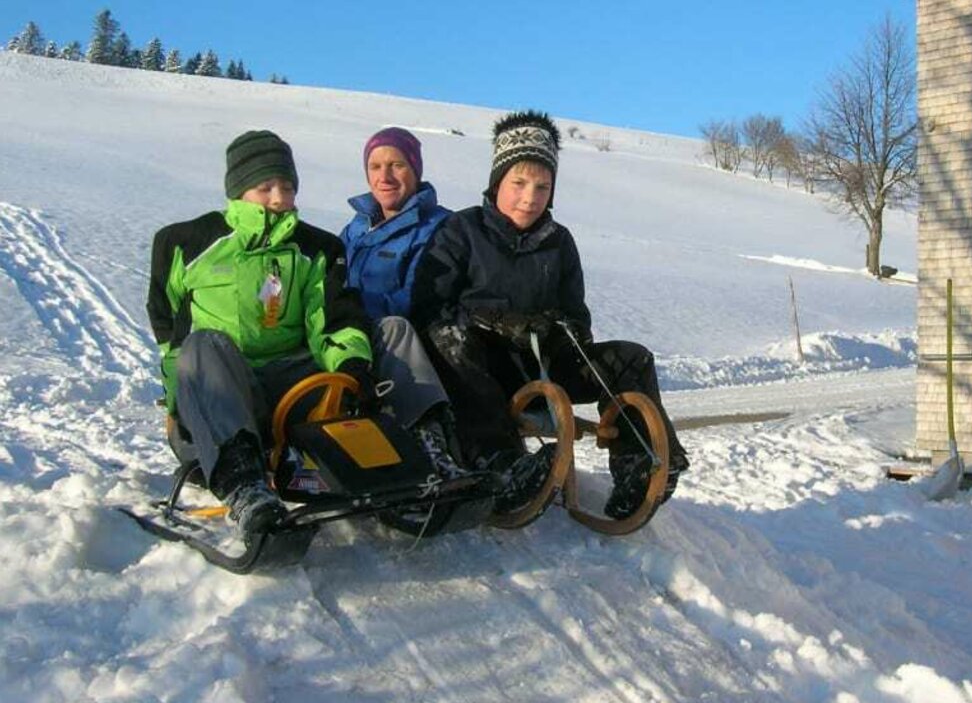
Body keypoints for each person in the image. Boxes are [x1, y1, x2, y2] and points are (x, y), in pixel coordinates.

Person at [411, 110, 690, 518]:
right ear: (497, 182)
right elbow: (430, 307)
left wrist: (558, 327)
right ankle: (501, 464)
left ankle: (642, 466)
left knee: (631, 358)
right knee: (450, 337)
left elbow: (578, 316)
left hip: (545, 364)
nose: (530, 197)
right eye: (519, 183)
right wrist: (492, 321)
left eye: (542, 186)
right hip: (482, 369)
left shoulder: (558, 242)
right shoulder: (462, 230)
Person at [146, 129, 378, 539]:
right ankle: (244, 485)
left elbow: (332, 320)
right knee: (203, 344)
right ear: (237, 191)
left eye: (286, 187)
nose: (277, 198)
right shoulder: (186, 243)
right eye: (265, 186)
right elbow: (171, 330)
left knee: (387, 332)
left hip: (293, 392)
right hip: (226, 394)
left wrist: (352, 370)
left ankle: (408, 460)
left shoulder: (314, 248)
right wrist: (181, 404)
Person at [339, 126, 466, 481]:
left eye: (397, 165)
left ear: (415, 170)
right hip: (351, 334)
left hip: (404, 338)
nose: (385, 176)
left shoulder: (440, 227)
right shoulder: (357, 227)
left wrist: (355, 316)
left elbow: (419, 296)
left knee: (395, 328)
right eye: (376, 166)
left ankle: (431, 441)